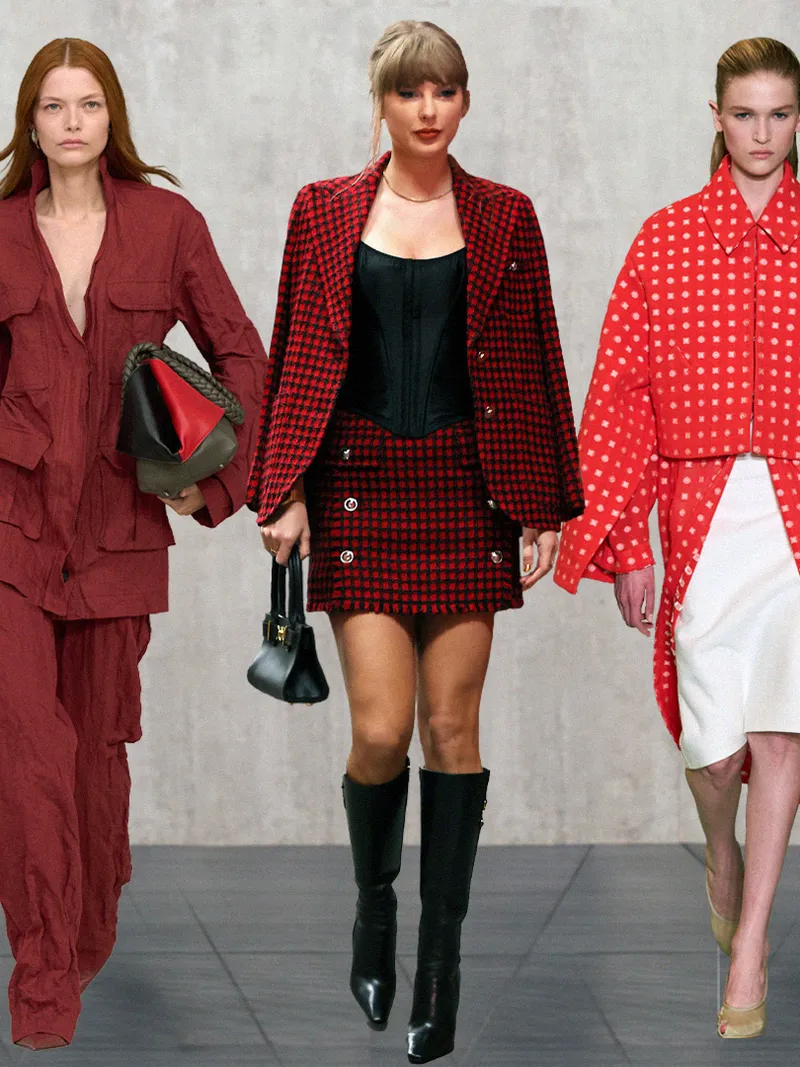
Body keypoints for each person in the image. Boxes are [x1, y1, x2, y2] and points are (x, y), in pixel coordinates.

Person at [248, 19, 583, 1064]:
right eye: (409, 92)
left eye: (444, 91)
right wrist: (282, 487)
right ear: (382, 103)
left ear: (464, 101)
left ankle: (440, 968)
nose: (428, 109)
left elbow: (535, 355)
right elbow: (295, 351)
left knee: (451, 727)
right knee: (382, 730)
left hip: (469, 493)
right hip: (358, 493)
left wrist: (543, 505)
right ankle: (373, 908)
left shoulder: (505, 215)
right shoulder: (322, 209)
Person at [0, 38, 266, 1050]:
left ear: (111, 117)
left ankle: (83, 923)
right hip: (12, 526)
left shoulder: (167, 224)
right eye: (53, 105)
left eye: (88, 104)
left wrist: (217, 484)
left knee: (91, 760)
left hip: (117, 534)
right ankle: (41, 979)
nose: (71, 121)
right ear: (30, 124)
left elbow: (241, 352)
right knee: (24, 750)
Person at [555, 36, 800, 1041]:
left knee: (780, 731)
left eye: (778, 114)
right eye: (743, 114)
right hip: (699, 514)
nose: (760, 133)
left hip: (795, 514)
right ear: (715, 117)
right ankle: (719, 848)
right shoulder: (665, 239)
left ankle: (750, 944)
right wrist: (625, 542)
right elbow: (617, 395)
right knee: (716, 752)